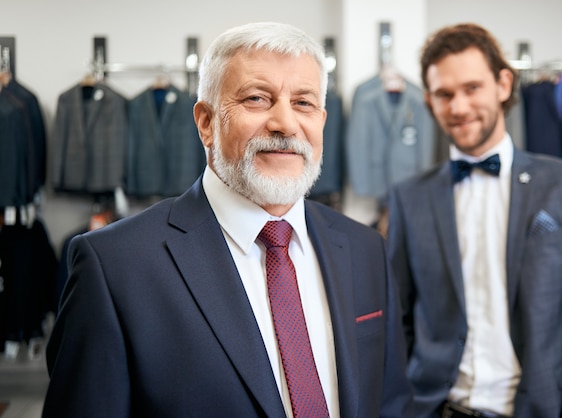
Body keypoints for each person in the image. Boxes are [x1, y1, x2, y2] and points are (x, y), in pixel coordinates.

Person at [43, 22, 414, 417]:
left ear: (322, 121)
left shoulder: (365, 247)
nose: (285, 124)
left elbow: (390, 402)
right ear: (206, 122)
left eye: (303, 103)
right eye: (257, 99)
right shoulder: (114, 266)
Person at [386, 23, 562, 418]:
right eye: (444, 94)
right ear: (429, 101)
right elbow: (399, 317)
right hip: (437, 408)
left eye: (472, 88)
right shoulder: (409, 197)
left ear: (503, 84)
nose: (458, 107)